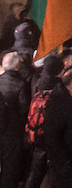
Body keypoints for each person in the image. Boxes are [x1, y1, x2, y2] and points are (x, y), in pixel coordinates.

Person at [0, 51, 29, 188]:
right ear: (18, 66)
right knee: (10, 166)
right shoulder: (20, 84)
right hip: (12, 131)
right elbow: (24, 109)